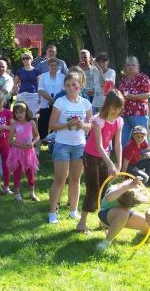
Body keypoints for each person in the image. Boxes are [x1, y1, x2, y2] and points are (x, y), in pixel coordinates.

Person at [76, 90, 124, 233]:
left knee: (104, 189)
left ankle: (103, 221)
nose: (116, 110)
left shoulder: (119, 121)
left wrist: (119, 164)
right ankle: (81, 224)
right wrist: (110, 163)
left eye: (119, 107)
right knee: (93, 189)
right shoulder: (98, 121)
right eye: (114, 106)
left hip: (104, 157)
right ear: (107, 105)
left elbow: (117, 144)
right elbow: (99, 145)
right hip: (90, 157)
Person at [48, 72, 92, 224]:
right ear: (64, 87)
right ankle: (52, 212)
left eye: (74, 84)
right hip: (62, 145)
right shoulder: (60, 102)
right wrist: (67, 124)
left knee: (75, 180)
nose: (71, 88)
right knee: (60, 180)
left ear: (80, 85)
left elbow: (91, 126)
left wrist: (82, 124)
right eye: (68, 85)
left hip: (79, 145)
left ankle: (73, 210)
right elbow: (52, 125)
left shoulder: (85, 103)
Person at [96, 176, 150, 252]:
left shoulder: (138, 190)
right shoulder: (115, 188)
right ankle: (106, 241)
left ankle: (138, 232)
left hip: (125, 214)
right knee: (124, 213)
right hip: (105, 213)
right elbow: (108, 198)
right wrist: (127, 186)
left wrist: (149, 212)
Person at [7, 101, 40, 202]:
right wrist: (19, 145)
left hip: (29, 152)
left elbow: (37, 136)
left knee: (30, 173)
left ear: (26, 112)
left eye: (21, 112)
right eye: (16, 113)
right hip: (17, 152)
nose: (19, 115)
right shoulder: (14, 124)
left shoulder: (31, 123)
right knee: (17, 173)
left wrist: (33, 143)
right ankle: (17, 194)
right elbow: (10, 140)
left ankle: (32, 193)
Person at [119, 56, 150, 146]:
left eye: (133, 65)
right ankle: (126, 159)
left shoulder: (143, 78)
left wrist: (133, 96)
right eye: (128, 65)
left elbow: (148, 94)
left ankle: (146, 159)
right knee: (123, 140)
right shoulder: (123, 79)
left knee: (142, 139)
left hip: (139, 113)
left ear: (138, 66)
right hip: (124, 113)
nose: (130, 67)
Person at [36, 57, 65, 153]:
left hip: (58, 106)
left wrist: (55, 101)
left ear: (58, 67)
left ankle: (54, 150)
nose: (53, 67)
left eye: (55, 65)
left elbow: (64, 91)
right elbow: (40, 89)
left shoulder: (62, 76)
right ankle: (37, 151)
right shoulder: (43, 76)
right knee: (42, 127)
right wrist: (51, 99)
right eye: (51, 65)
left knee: (56, 128)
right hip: (45, 104)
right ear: (48, 66)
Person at [13, 52, 41, 118]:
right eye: (23, 58)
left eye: (27, 58)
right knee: (23, 116)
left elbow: (40, 85)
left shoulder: (36, 71)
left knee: (33, 116)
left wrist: (40, 97)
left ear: (31, 59)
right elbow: (15, 84)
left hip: (33, 96)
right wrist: (17, 94)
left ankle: (35, 128)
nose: (25, 60)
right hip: (22, 96)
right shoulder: (19, 71)